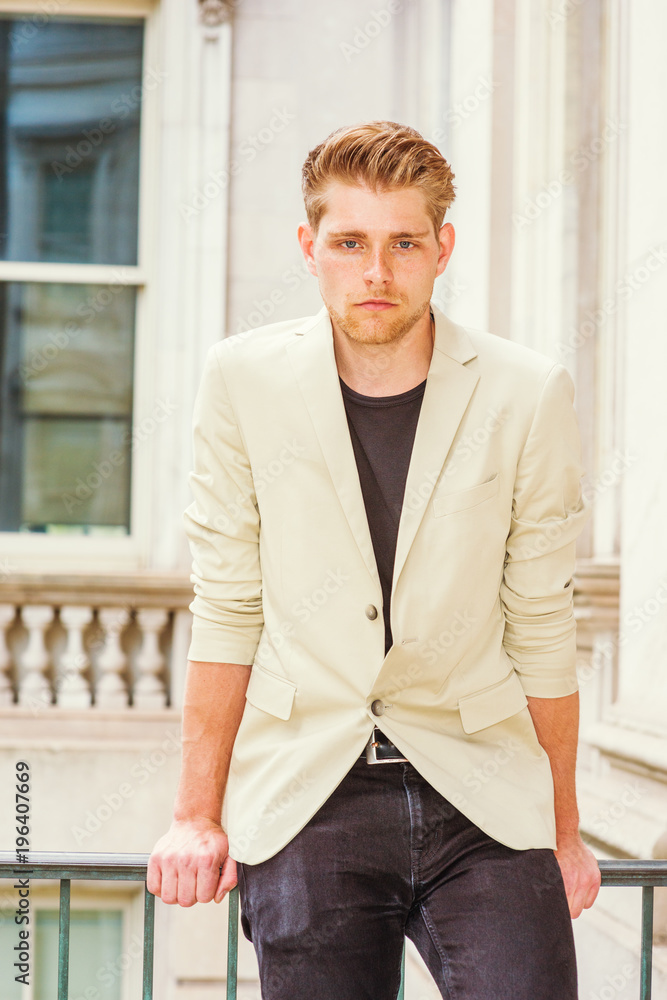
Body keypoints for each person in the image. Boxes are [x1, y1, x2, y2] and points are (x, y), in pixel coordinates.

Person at [148, 120, 601, 999]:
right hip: (310, 789)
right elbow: (228, 606)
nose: (376, 272)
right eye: (349, 243)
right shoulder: (242, 380)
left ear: (443, 248)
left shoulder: (524, 391)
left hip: (484, 794)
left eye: (402, 243)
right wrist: (195, 815)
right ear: (308, 247)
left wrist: (564, 830)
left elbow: (542, 621)